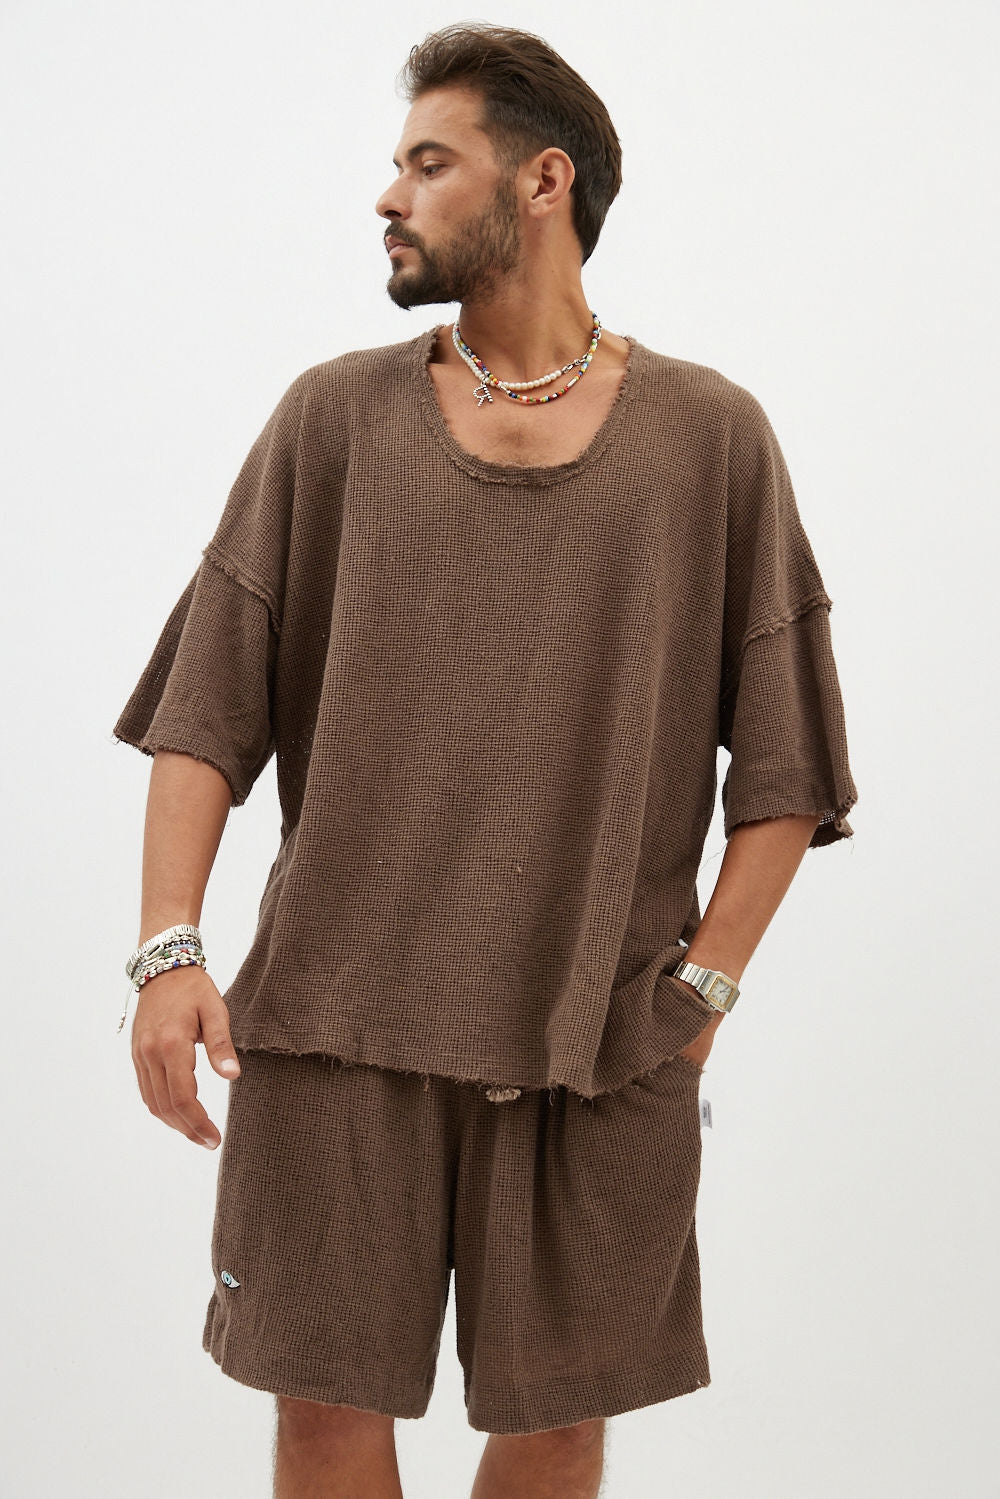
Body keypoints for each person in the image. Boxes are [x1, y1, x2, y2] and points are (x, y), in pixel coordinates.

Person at [111, 22, 859, 1499]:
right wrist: (166, 947)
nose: (388, 196)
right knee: (322, 1415)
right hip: (331, 1030)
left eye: (427, 163)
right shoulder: (334, 418)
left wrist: (701, 993)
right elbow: (207, 709)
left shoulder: (709, 440)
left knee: (558, 1422)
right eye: (397, 165)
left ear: (541, 181)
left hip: (599, 1039)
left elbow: (789, 768)